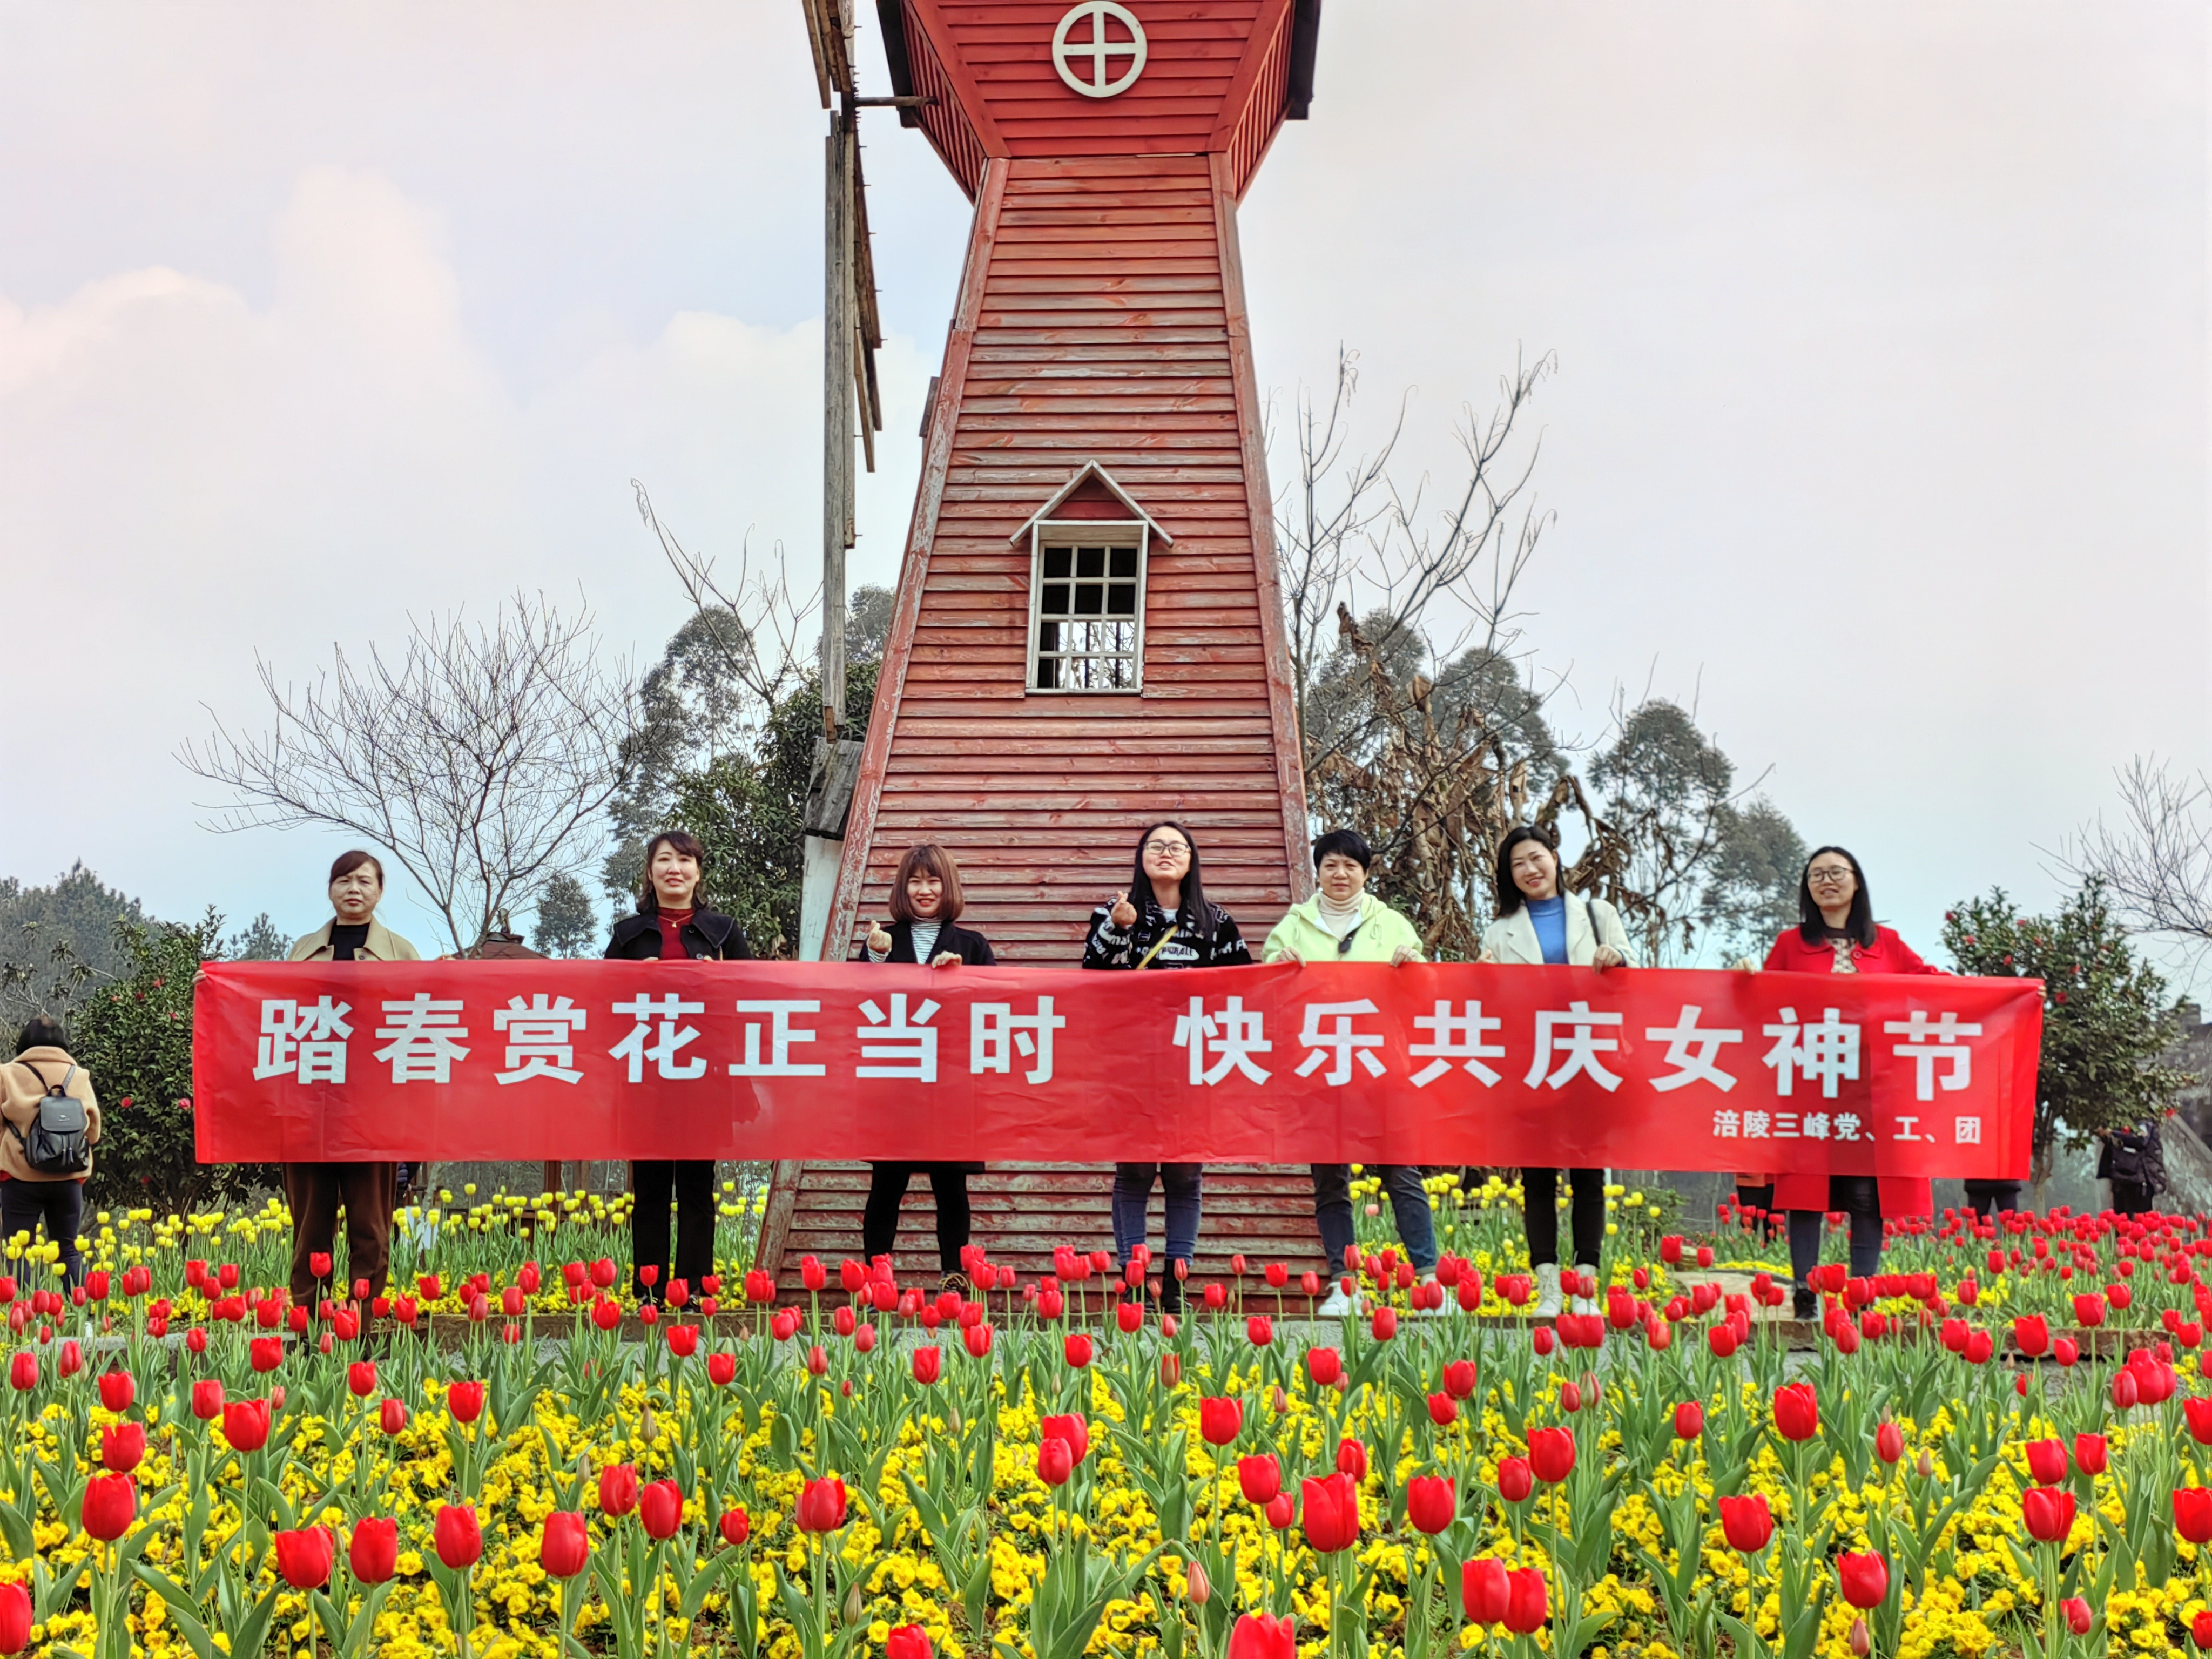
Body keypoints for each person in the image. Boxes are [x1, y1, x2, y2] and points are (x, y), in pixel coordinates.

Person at [1761, 845, 1941, 1318]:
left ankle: (1862, 1293)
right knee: (1805, 1190)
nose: (1827, 881)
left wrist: (2008, 995)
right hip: (1809, 1085)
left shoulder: (1889, 944)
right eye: (1816, 874)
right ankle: (1805, 1290)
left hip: (1872, 1091)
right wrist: (1742, 979)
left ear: (1857, 882)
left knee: (1867, 1194)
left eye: (1837, 872)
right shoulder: (1788, 945)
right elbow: (1760, 1002)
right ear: (1807, 888)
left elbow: (1935, 987)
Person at [1262, 828, 1435, 1314]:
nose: (1340, 875)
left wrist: (1413, 965)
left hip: (1381, 1066)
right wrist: (1279, 965)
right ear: (1317, 870)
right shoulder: (1294, 925)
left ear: (1366, 872)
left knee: (1402, 1173)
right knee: (1330, 1180)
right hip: (1319, 1069)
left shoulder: (1393, 924)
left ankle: (1427, 1281)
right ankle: (1345, 1283)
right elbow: (1268, 985)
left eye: (1351, 866)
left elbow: (1425, 992)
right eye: (1331, 865)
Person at [1083, 821, 1250, 1311]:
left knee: (1184, 1177)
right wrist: (1118, 927)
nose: (1165, 853)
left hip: (1192, 1066)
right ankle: (1134, 1284)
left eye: (1176, 847)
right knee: (1133, 1174)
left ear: (1191, 859)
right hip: (1130, 1066)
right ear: (1141, 856)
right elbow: (1092, 977)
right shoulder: (1114, 912)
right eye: (1156, 845)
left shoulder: (1216, 920)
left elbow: (1242, 987)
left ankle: (1176, 1285)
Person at [1477, 825, 1635, 1317]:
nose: (1530, 869)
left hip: (1589, 1053)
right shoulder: (1499, 930)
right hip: (1532, 1060)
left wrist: (1619, 957)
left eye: (1536, 857)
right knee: (1538, 1175)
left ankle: (1586, 1284)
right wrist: (1481, 980)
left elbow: (1637, 971)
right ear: (1510, 875)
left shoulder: (1598, 913)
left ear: (1554, 858)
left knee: (1589, 1172)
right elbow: (1489, 1004)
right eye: (1518, 864)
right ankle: (1547, 1285)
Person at [605, 830, 751, 1303]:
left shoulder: (725, 932)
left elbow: (755, 998)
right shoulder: (627, 935)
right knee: (648, 1189)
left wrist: (719, 982)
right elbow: (600, 1003)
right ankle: (648, 1290)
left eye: (685, 860)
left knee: (695, 1187)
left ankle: (691, 1288)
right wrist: (634, 984)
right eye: (664, 860)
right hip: (645, 1079)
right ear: (649, 873)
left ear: (698, 872)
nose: (675, 868)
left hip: (704, 1080)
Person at [285, 849, 418, 1307]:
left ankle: (358, 1328)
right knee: (310, 1229)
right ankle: (308, 1332)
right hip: (311, 1109)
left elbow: (426, 1022)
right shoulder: (303, 951)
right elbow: (269, 1012)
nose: (354, 889)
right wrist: (217, 987)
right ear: (330, 890)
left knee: (371, 1229)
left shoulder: (400, 953)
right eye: (343, 880)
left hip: (372, 1111)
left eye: (364, 881)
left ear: (380, 892)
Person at [858, 844, 994, 1290]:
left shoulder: (972, 945)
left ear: (947, 886)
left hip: (951, 1087)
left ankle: (955, 1277)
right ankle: (879, 1279)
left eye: (933, 880)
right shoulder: (882, 940)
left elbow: (993, 1009)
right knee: (886, 1185)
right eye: (915, 881)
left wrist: (963, 981)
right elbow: (852, 1001)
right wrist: (875, 958)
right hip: (893, 1084)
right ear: (903, 888)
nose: (924, 889)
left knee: (951, 1186)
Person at [1, 1017, 100, 1289]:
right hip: (68, 1176)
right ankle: (85, 1320)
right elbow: (93, 1130)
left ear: (24, 1043)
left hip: (20, 1178)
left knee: (18, 1251)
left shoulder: (7, 1074)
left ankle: (24, 1321)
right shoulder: (79, 1076)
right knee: (68, 1249)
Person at [2099, 1118, 2167, 1215]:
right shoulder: (2118, 1118)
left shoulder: (2145, 1120)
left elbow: (2140, 1140)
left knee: (2138, 1221)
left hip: (2139, 1179)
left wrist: (2113, 1133)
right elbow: (2111, 1142)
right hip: (2121, 1176)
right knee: (2121, 1219)